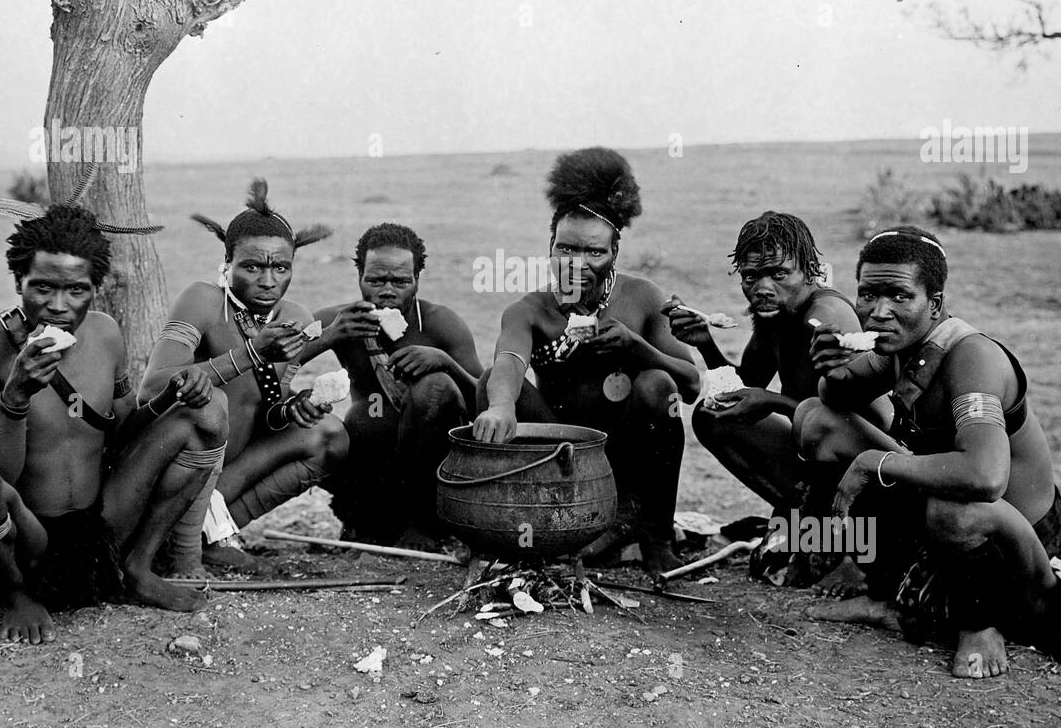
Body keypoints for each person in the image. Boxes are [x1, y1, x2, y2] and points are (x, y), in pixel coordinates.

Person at [0, 202, 229, 644]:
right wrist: (15, 398)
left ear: (96, 287)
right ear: (18, 282)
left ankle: (136, 566)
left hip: (98, 522)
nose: (58, 306)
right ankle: (16, 594)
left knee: (206, 416)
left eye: (75, 290)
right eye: (42, 289)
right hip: (25, 534)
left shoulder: (106, 333)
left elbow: (124, 430)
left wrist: (173, 395)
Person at [793, 225, 1061, 678]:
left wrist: (876, 462)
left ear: (935, 304)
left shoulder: (969, 356)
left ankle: (978, 624)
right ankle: (886, 592)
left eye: (900, 296)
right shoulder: (899, 348)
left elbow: (984, 479)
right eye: (867, 296)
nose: (879, 312)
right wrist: (831, 365)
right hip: (949, 530)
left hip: (1022, 553)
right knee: (817, 421)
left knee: (954, 507)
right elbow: (835, 399)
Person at [472, 147, 700, 575]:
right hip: (564, 455)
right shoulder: (530, 309)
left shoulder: (643, 298)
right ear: (550, 248)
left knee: (657, 385)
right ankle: (532, 522)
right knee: (489, 384)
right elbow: (508, 362)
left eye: (593, 252)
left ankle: (654, 535)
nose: (577, 264)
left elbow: (689, 385)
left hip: (628, 455)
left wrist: (637, 348)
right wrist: (501, 405)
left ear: (615, 251)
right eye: (566, 250)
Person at [144, 180, 348, 575]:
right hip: (178, 472)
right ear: (227, 264)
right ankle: (184, 532)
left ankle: (216, 531)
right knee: (209, 408)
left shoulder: (297, 319)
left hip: (227, 476)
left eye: (281, 267)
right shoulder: (203, 301)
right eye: (252, 267)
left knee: (330, 434)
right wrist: (250, 353)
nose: (268, 281)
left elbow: (267, 410)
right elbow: (155, 387)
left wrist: (293, 409)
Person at [668, 211, 881, 527]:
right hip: (814, 452)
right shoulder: (777, 315)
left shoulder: (825, 317)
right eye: (752, 277)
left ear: (810, 271)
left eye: (779, 274)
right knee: (714, 416)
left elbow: (863, 424)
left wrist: (773, 401)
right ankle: (804, 517)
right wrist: (705, 343)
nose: (763, 288)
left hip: (865, 467)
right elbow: (746, 386)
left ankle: (824, 522)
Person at [302, 223, 483, 547]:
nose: (387, 290)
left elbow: (483, 404)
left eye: (399, 281)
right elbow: (274, 365)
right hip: (370, 462)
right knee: (354, 420)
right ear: (359, 277)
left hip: (432, 467)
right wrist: (331, 335)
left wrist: (445, 363)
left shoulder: (441, 324)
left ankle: (425, 524)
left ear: (417, 279)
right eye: (375, 280)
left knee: (436, 388)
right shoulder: (340, 319)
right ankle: (363, 519)